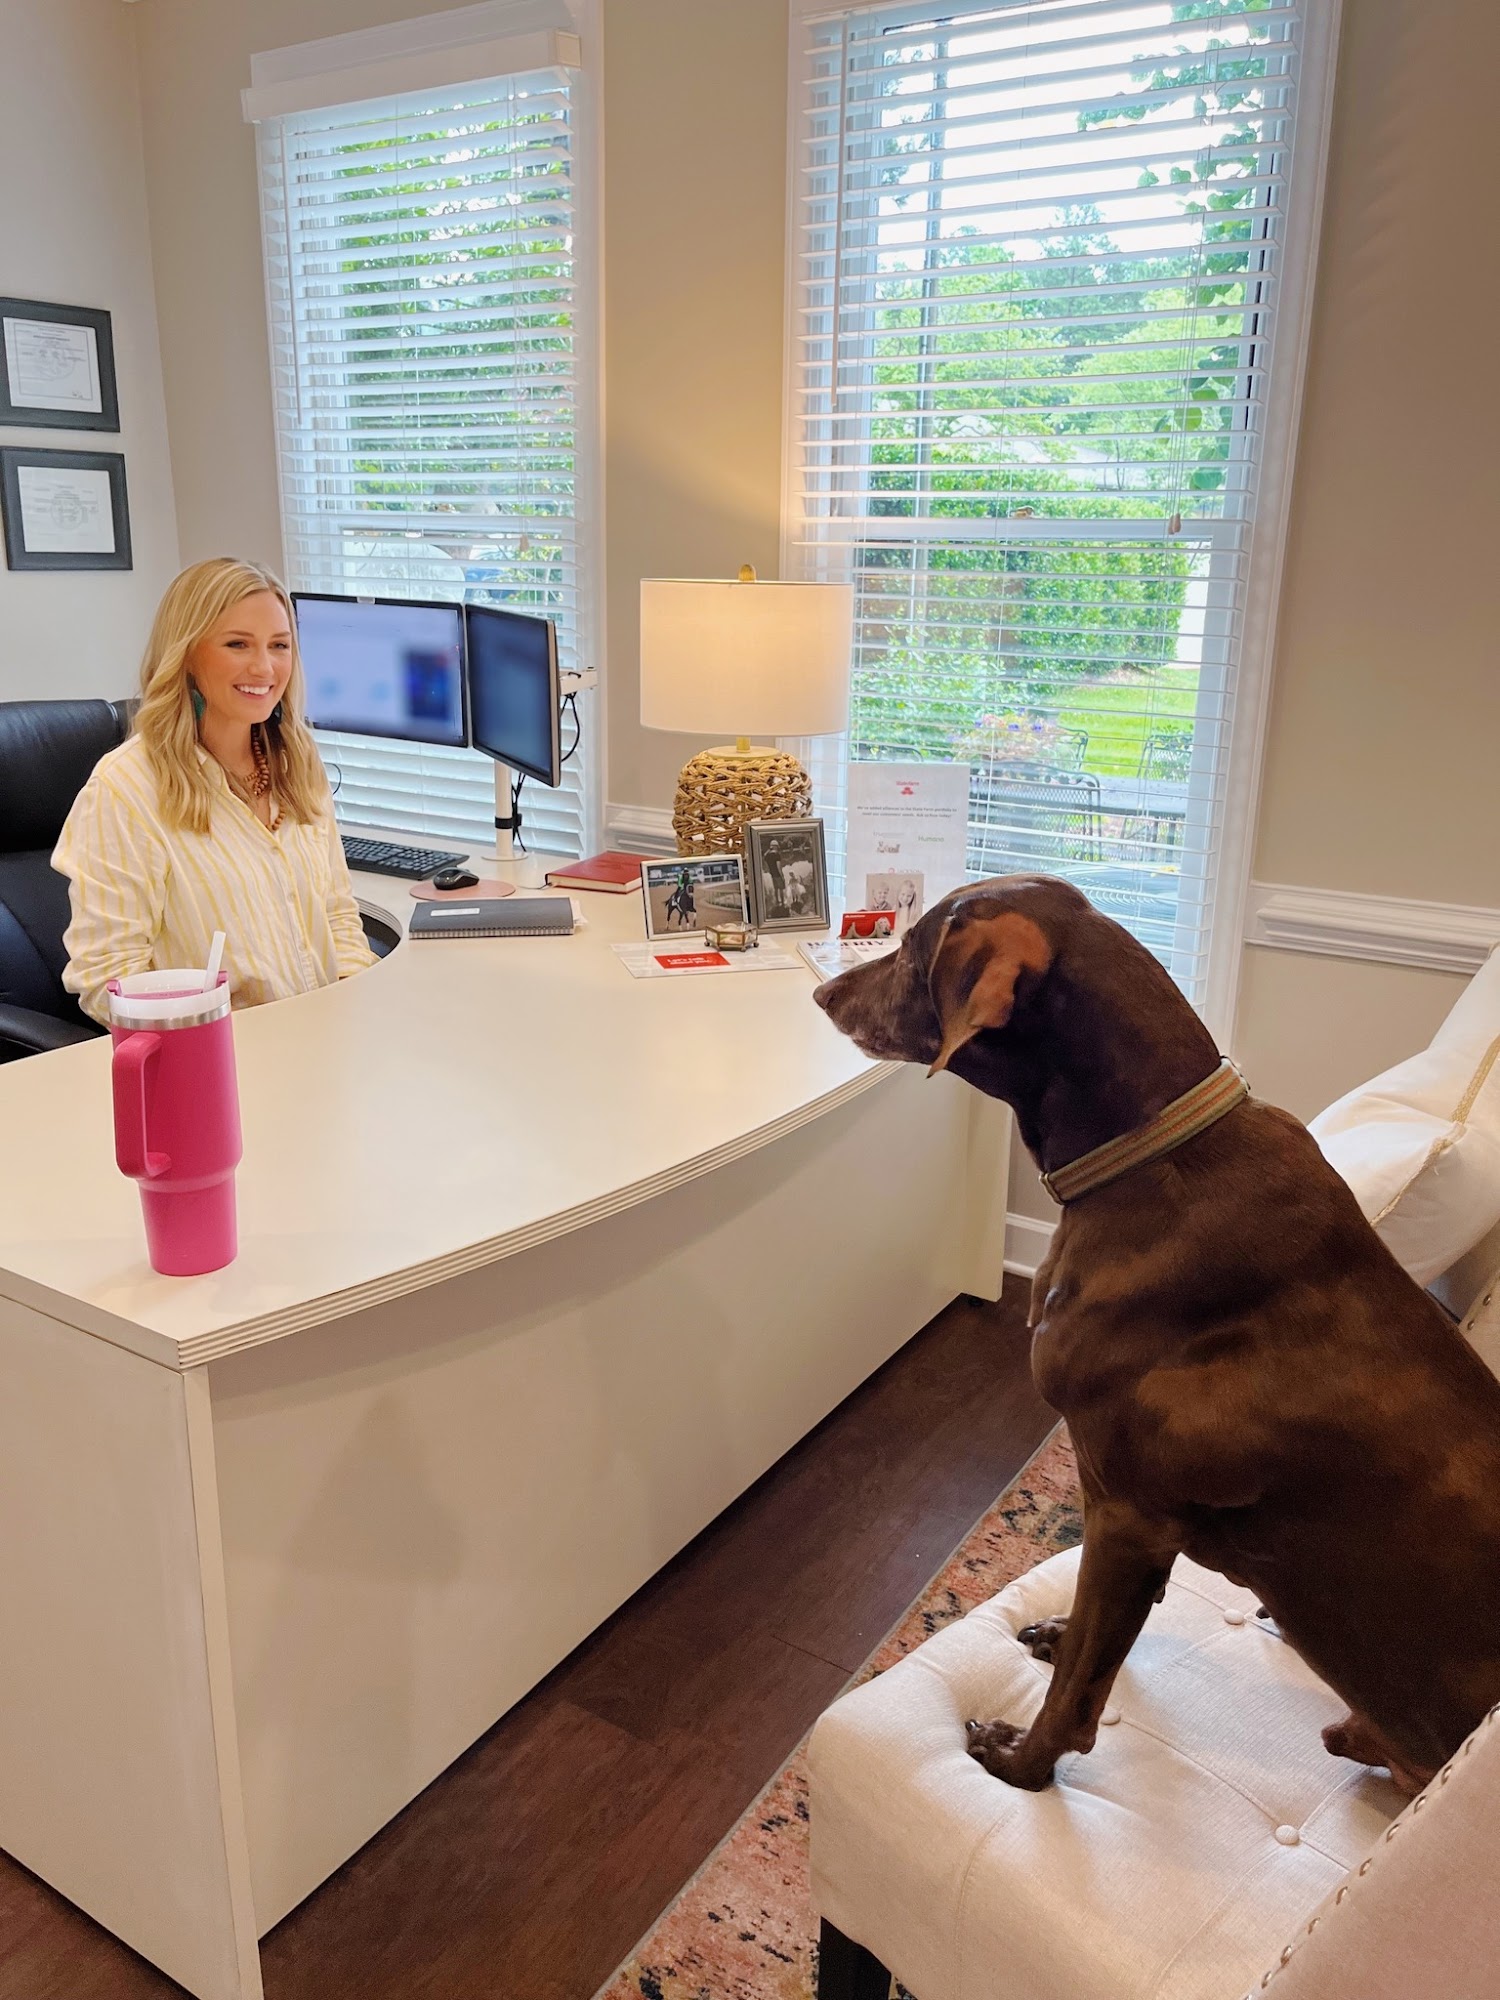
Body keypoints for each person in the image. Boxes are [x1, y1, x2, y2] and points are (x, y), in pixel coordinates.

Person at [54, 556, 374, 1023]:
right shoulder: (125, 788)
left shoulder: (297, 761)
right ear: (186, 655)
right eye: (237, 644)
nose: (264, 667)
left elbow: (337, 913)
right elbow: (107, 978)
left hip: (323, 1039)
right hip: (213, 1052)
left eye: (279, 645)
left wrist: (352, 1003)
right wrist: (209, 1040)